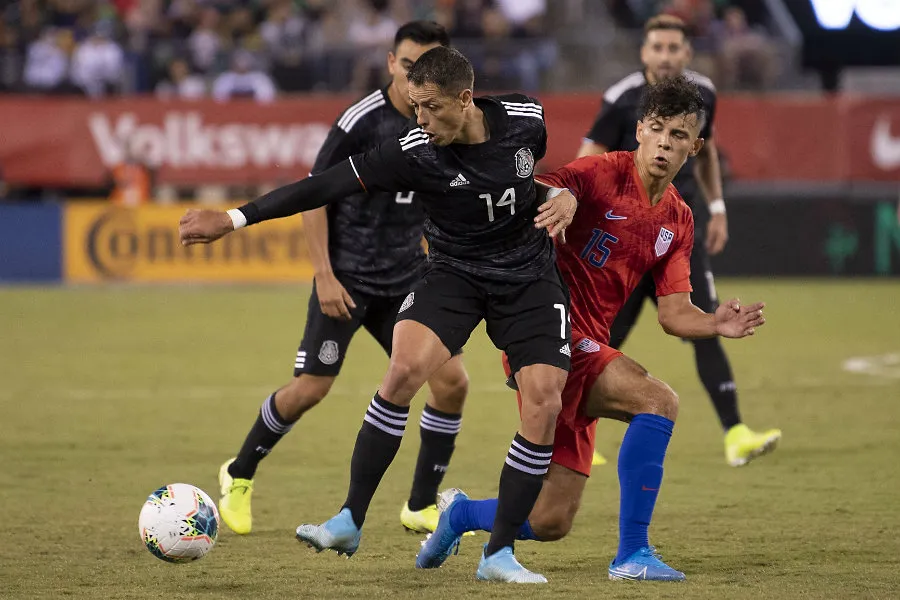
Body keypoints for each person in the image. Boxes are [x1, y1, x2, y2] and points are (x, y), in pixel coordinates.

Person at [179, 46, 578, 583]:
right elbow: (322, 186)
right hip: (453, 274)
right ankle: (349, 519)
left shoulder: (526, 119)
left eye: (431, 107)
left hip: (528, 277)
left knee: (544, 401)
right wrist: (233, 218)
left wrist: (566, 195)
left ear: (465, 99)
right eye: (414, 106)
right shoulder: (412, 151)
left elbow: (540, 180)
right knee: (404, 371)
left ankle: (499, 553)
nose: (420, 119)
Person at [416, 75, 767, 582]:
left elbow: (672, 314)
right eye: (658, 129)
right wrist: (563, 198)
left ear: (696, 147)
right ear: (640, 130)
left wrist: (714, 323)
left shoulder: (679, 219)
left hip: (586, 345)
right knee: (658, 400)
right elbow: (551, 185)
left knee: (550, 519)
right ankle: (632, 555)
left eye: (680, 135)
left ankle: (461, 515)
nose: (666, 143)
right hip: (545, 334)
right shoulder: (602, 172)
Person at [215, 21, 472, 538]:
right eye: (406, 65)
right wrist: (325, 275)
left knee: (452, 382)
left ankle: (419, 504)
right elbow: (315, 193)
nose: (413, 77)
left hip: (405, 279)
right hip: (348, 279)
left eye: (426, 66)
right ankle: (238, 474)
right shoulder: (363, 120)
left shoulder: (449, 123)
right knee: (311, 389)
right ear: (390, 63)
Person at [577, 14, 779, 467]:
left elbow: (706, 153)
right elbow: (587, 160)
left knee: (706, 326)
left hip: (676, 236)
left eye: (674, 48)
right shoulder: (622, 99)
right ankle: (577, 435)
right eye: (658, 48)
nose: (666, 56)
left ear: (688, 53)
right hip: (626, 240)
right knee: (602, 337)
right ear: (644, 53)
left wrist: (718, 207)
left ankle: (736, 433)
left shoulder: (703, 94)